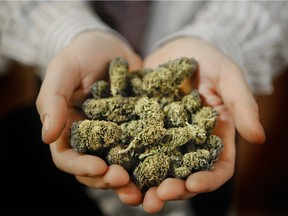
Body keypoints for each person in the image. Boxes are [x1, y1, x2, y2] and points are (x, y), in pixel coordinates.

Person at [1, 1, 287, 214]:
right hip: (68, 103)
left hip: (206, 93)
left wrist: (221, 38)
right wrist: (64, 32)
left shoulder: (186, 124)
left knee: (204, 197)